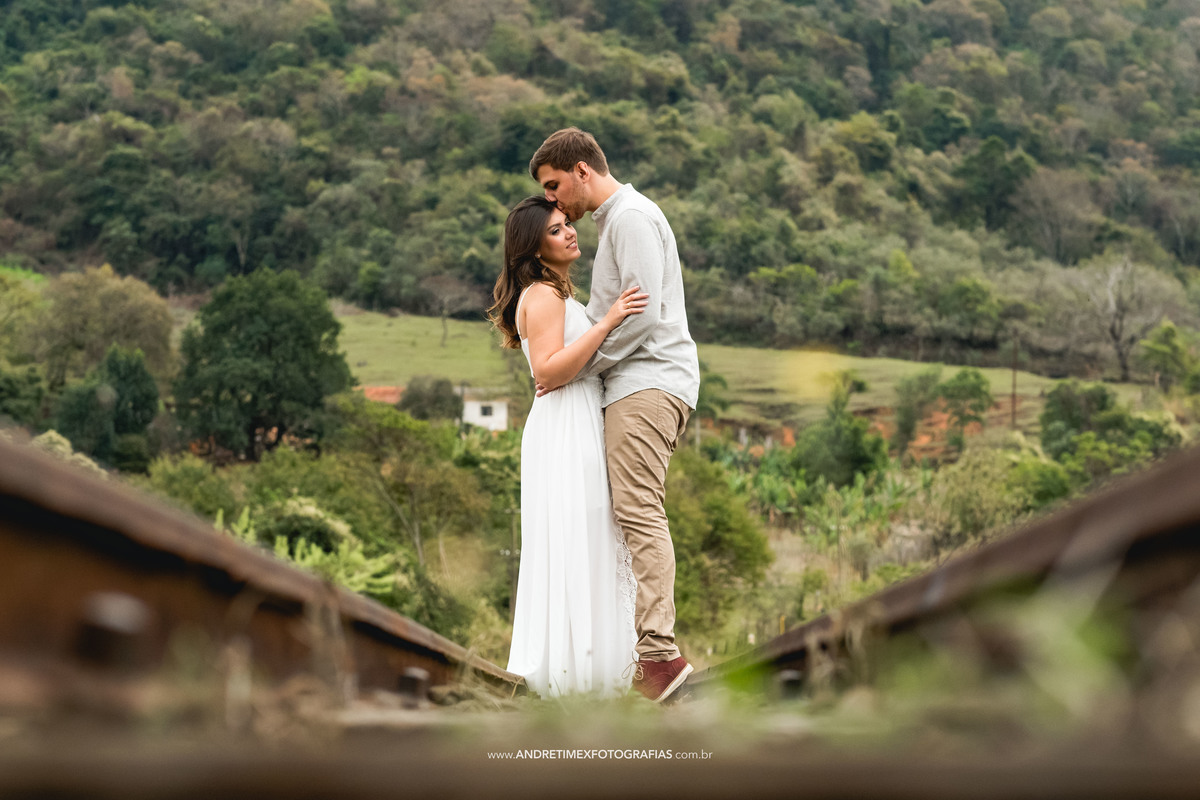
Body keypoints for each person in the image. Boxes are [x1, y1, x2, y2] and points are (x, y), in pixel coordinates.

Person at [530, 128, 701, 703]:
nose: (554, 201)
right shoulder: (615, 224)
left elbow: (644, 318)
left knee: (637, 509)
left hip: (647, 382)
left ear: (582, 170)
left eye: (555, 187)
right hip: (633, 384)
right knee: (627, 512)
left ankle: (658, 657)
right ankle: (640, 655)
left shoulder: (629, 218)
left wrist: (580, 367)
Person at [489, 196, 649, 697]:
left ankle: (594, 668)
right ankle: (574, 675)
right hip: (563, 427)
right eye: (557, 231)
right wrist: (607, 323)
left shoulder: (554, 293)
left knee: (589, 538)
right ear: (535, 250)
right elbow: (549, 372)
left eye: (566, 225)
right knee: (576, 538)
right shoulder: (542, 295)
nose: (570, 233)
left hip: (576, 420)